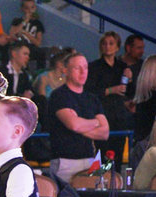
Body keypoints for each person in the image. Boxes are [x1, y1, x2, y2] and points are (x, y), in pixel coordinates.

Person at [48, 52, 109, 183]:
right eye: (77, 68)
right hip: (65, 161)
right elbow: (74, 125)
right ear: (66, 71)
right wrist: (95, 122)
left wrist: (81, 125)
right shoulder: (59, 95)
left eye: (85, 67)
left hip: (89, 160)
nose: (83, 72)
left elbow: (105, 132)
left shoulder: (92, 98)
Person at [85, 31, 133, 168]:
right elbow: (90, 91)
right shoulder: (94, 67)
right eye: (104, 44)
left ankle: (115, 177)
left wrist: (130, 79)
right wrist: (111, 90)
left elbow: (128, 91)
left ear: (117, 47)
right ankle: (102, 178)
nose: (107, 46)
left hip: (119, 114)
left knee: (118, 152)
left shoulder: (122, 67)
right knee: (102, 152)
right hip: (102, 113)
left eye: (111, 44)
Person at [8, 0, 45, 68]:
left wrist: (25, 33)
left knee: (41, 52)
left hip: (30, 47)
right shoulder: (17, 21)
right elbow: (12, 34)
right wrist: (25, 21)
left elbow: (38, 43)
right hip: (17, 45)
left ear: (35, 8)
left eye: (32, 7)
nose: (30, 11)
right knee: (9, 48)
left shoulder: (37, 23)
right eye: (27, 8)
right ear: (22, 9)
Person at [121, 34, 144, 99]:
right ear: (128, 48)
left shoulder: (144, 67)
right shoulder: (114, 63)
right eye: (139, 48)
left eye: (143, 48)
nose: (142, 51)